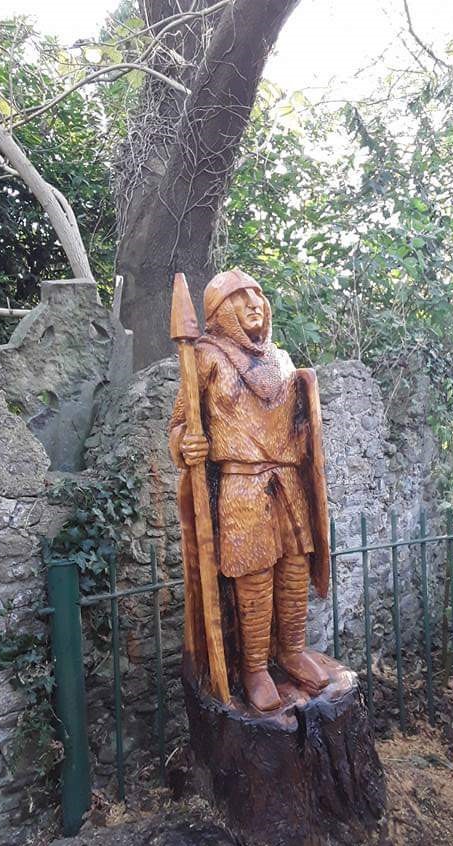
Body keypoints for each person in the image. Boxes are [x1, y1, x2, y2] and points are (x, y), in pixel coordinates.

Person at [169, 268, 330, 712]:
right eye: (241, 297)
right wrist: (186, 443)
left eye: (258, 294)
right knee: (254, 577)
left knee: (295, 568)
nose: (255, 302)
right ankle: (254, 666)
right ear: (220, 311)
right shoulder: (206, 357)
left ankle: (292, 650)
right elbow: (180, 424)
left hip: (289, 481)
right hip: (242, 485)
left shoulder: (280, 359)